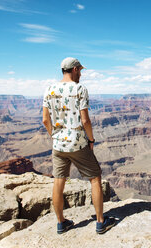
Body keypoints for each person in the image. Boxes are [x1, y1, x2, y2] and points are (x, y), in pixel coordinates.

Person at [42, 57, 115, 234]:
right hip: (78, 143)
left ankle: (61, 223)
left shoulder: (49, 89)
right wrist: (91, 140)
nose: (81, 74)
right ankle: (100, 222)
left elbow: (45, 120)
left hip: (59, 145)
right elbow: (85, 120)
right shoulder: (79, 89)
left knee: (59, 181)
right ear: (74, 69)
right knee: (95, 178)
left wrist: (55, 136)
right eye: (80, 70)